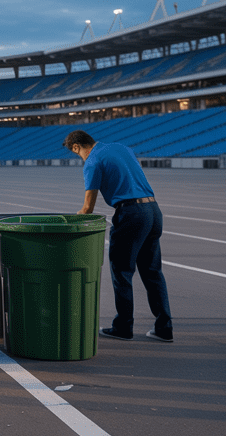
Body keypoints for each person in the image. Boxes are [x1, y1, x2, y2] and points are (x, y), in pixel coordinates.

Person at [65, 129, 173, 343]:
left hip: (130, 214)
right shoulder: (121, 148)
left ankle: (123, 327)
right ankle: (164, 328)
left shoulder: (92, 161)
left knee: (121, 271)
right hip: (153, 211)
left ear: (76, 147)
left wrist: (72, 221)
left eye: (75, 153)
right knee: (153, 273)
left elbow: (87, 208)